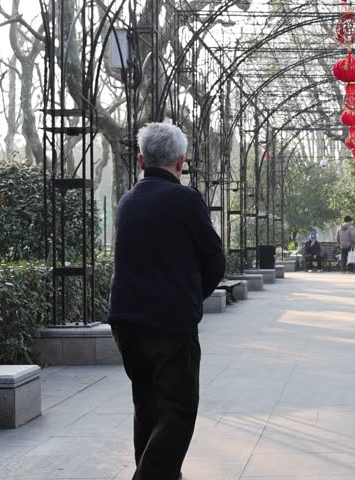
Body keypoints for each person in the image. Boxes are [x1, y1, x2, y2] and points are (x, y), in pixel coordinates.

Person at [108, 122, 225, 480]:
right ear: (181, 160)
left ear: (141, 160)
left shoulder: (127, 200)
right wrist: (191, 298)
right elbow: (214, 261)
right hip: (169, 323)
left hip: (126, 321)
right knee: (178, 408)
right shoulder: (185, 199)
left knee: (147, 405)